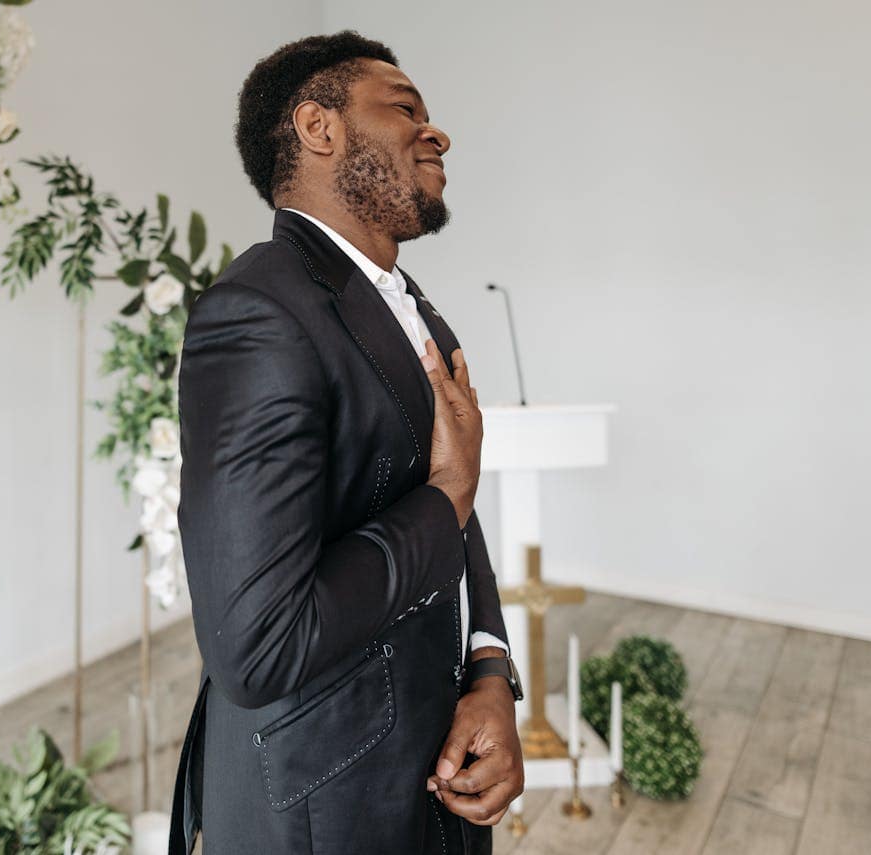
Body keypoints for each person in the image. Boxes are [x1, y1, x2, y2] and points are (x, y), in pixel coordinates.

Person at [168, 30, 524, 855]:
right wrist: (445, 498)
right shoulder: (258, 310)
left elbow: (456, 502)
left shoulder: (416, 308)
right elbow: (259, 646)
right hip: (324, 803)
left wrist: (489, 669)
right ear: (318, 127)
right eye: (405, 108)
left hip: (436, 774)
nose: (436, 133)